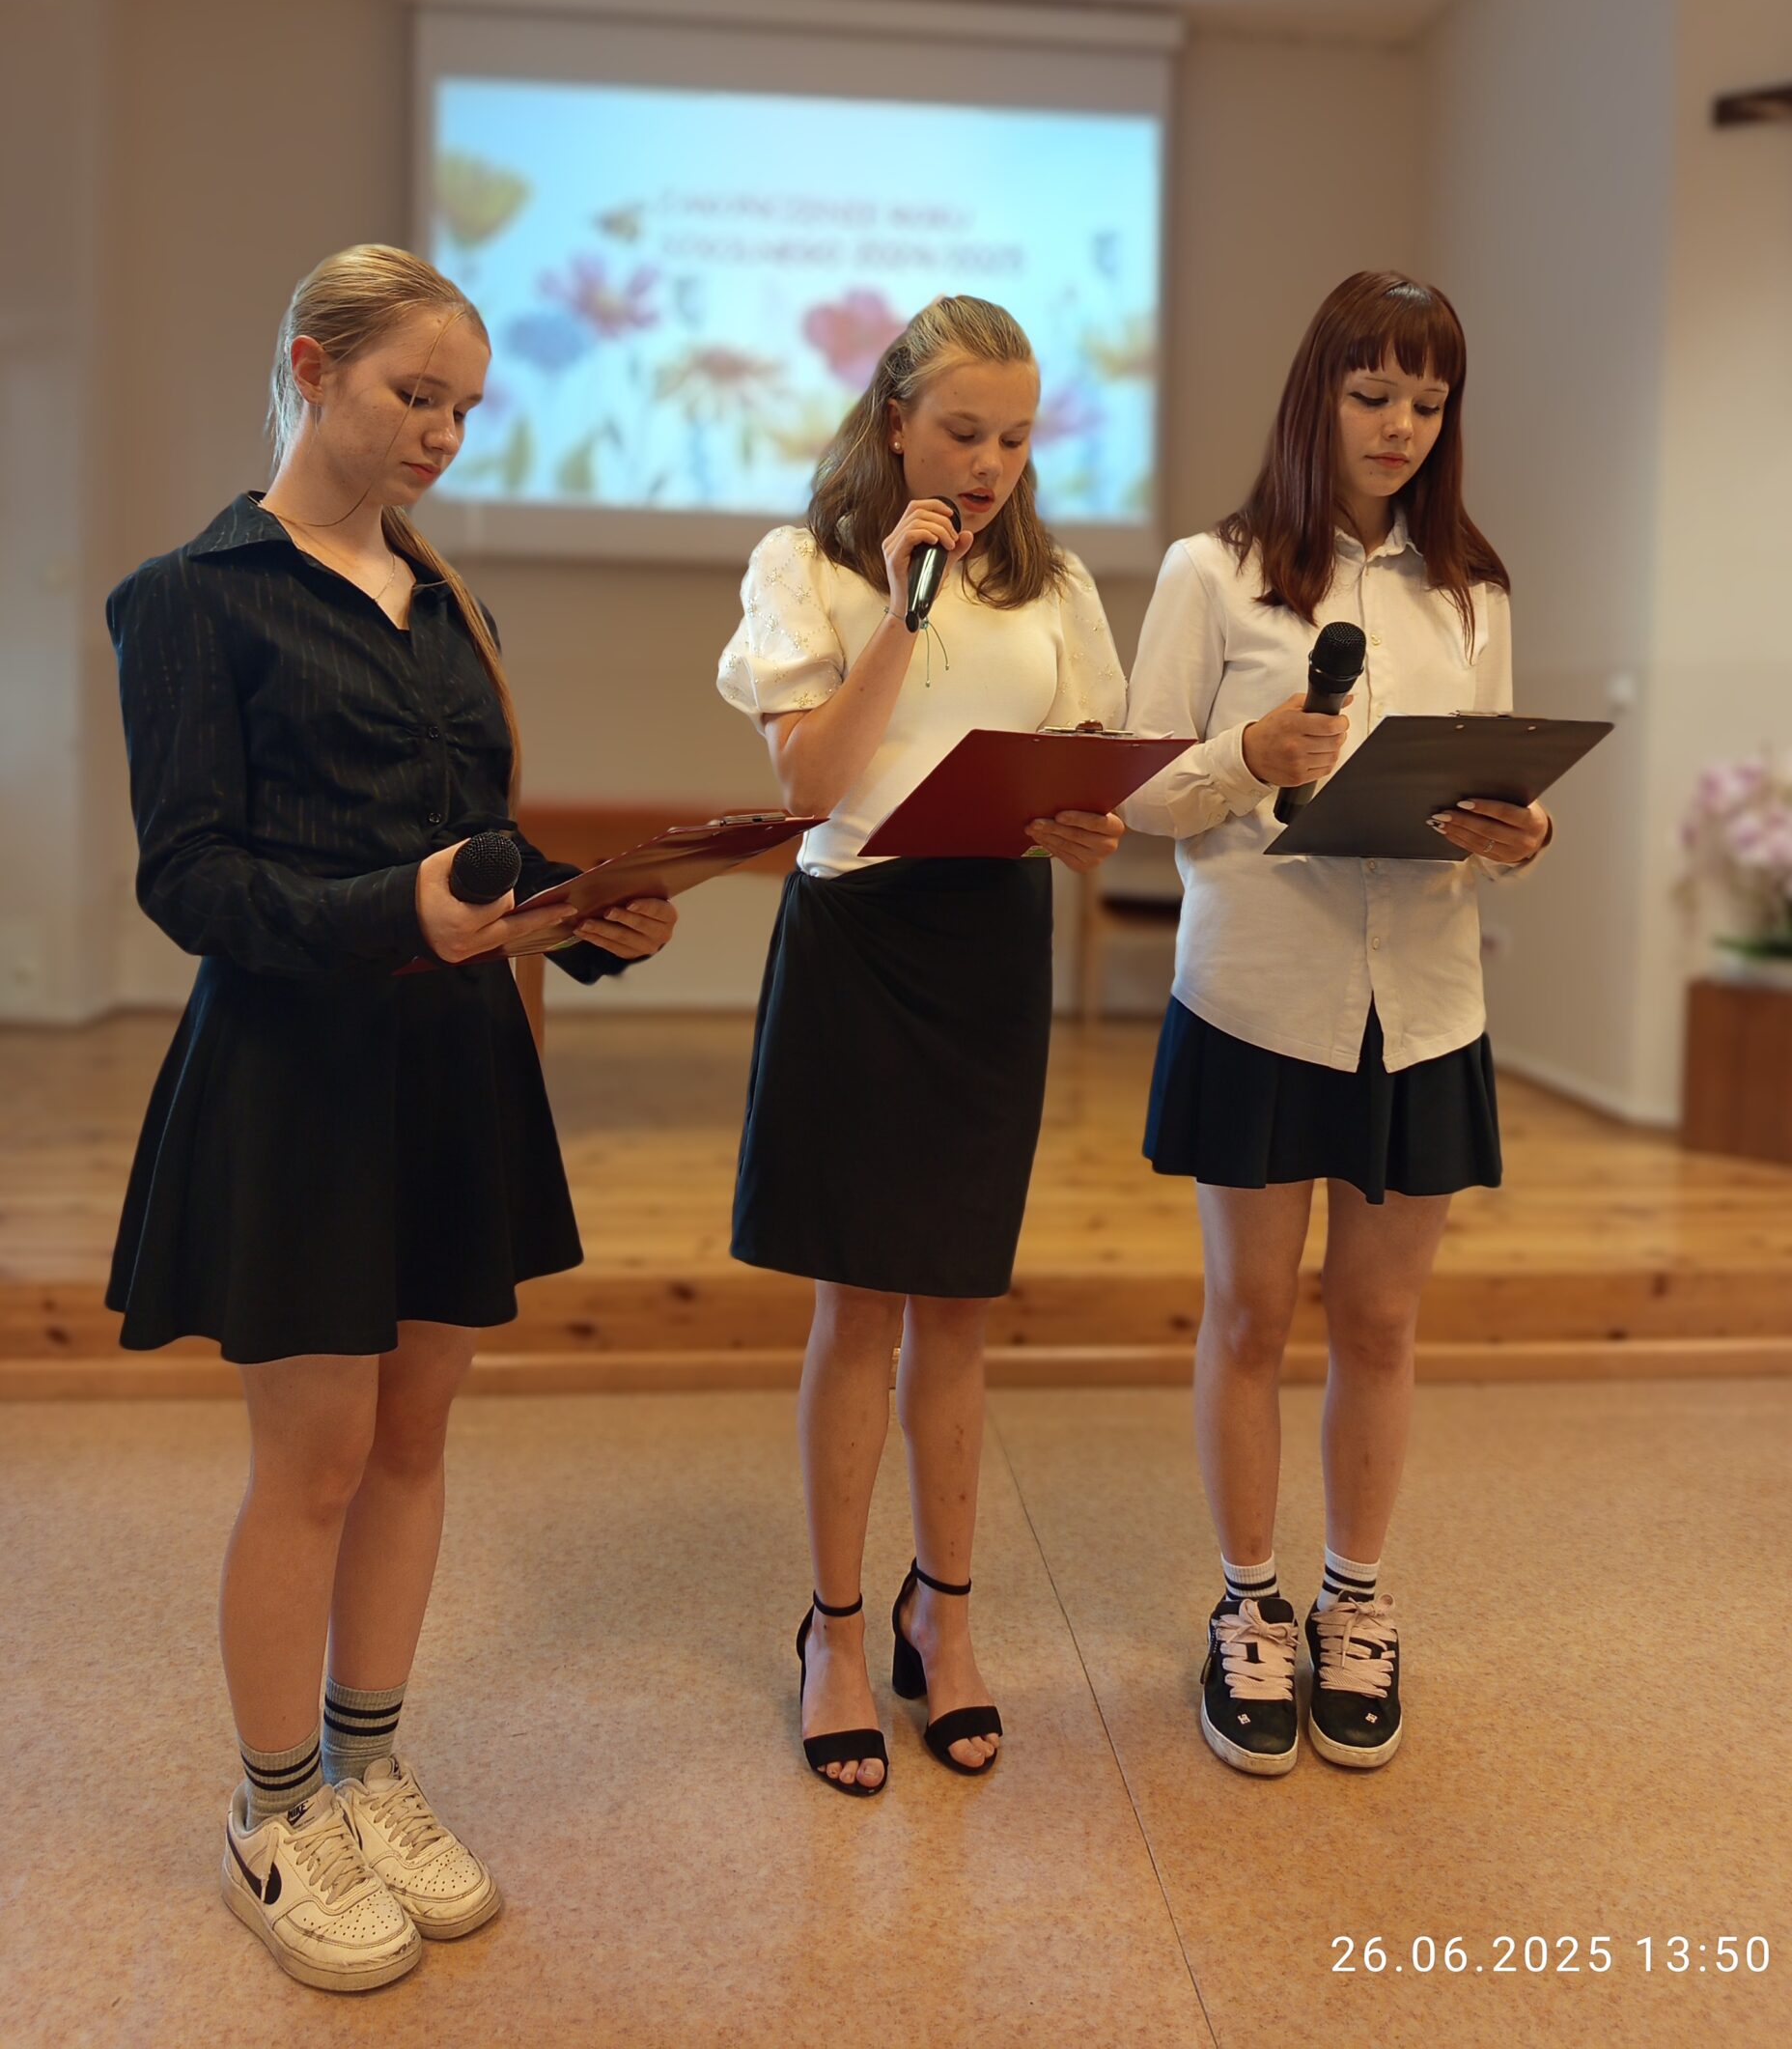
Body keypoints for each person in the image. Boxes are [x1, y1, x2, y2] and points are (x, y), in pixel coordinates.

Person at [105, 245, 677, 1991]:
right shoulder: (193, 596)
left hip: (451, 1066)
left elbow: (467, 844)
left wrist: (586, 913)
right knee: (317, 1460)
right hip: (297, 1070)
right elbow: (190, 879)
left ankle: (368, 1771)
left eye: (464, 409)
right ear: (311, 366)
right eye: (412, 395)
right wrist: (395, 916)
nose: (440, 433)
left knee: (415, 1441)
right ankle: (273, 1812)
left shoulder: (448, 601)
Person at [1122, 270, 1551, 1779]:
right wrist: (1245, 753)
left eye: (1428, 403)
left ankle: (1354, 1600)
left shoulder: (1471, 591)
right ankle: (1248, 1605)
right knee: (1251, 1315)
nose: (1399, 427)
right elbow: (1137, 791)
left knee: (1379, 1322)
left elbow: (1496, 775)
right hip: (1259, 990)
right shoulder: (1212, 572)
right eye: (1373, 395)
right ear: (1318, 396)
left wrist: (1520, 831)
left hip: (1421, 1001)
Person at [717, 295, 1127, 1794]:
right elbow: (812, 786)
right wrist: (905, 605)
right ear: (893, 422)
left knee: (957, 1307)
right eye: (962, 431)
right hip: (860, 939)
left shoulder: (1057, 582)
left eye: (1015, 437)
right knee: (858, 1308)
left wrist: (1084, 822)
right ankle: (833, 1631)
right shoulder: (805, 565)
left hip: (990, 941)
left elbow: (1088, 771)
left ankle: (941, 1617)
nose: (990, 464)